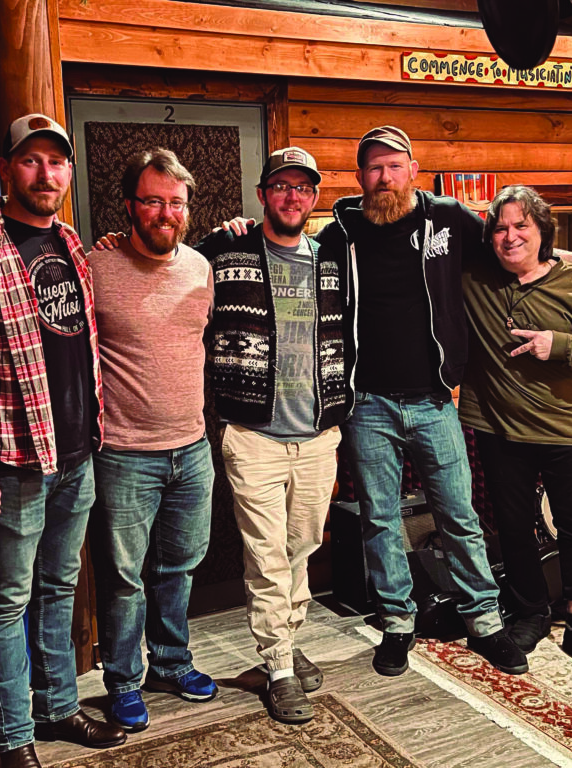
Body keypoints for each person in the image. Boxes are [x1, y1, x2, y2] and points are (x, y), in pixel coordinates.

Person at [316, 125, 572, 678]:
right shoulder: (340, 231)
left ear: (412, 170)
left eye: (394, 166)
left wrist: (569, 255)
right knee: (380, 521)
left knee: (459, 515)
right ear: (359, 177)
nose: (384, 177)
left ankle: (484, 620)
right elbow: (283, 245)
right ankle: (397, 623)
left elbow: (513, 242)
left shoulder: (447, 217)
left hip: (435, 400)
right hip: (367, 404)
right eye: (374, 167)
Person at [0, 114, 126, 768]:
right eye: (32, 160)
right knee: (7, 603)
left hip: (75, 456)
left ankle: (59, 706)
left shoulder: (69, 241)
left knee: (61, 589)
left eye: (56, 162)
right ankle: (15, 739)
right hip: (10, 466)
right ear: (10, 167)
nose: (46, 173)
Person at [196, 147, 349, 723]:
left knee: (301, 548)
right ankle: (279, 666)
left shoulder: (333, 258)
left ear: (313, 198)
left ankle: (288, 639)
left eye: (303, 188)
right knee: (266, 554)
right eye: (281, 187)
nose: (293, 197)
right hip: (253, 434)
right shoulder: (227, 248)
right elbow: (162, 261)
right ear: (262, 194)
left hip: (318, 434)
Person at [460, 185, 572, 678]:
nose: (510, 237)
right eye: (501, 228)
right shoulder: (475, 277)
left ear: (541, 232)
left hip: (565, 428)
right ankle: (530, 611)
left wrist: (560, 344)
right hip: (498, 428)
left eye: (521, 226)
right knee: (513, 527)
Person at [88, 148, 217, 733]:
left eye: (175, 203)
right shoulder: (96, 265)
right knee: (123, 578)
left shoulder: (199, 267)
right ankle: (122, 681)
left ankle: (171, 662)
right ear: (129, 206)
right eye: (153, 201)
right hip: (123, 454)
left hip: (192, 449)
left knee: (179, 568)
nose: (165, 212)